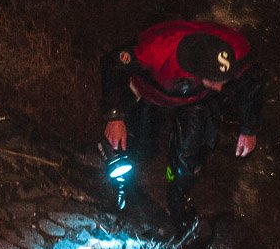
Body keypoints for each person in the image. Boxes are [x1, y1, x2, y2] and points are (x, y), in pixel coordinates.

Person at [100, 19, 264, 234]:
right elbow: (114, 65)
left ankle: (176, 193)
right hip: (151, 92)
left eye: (224, 78)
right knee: (140, 145)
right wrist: (115, 116)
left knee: (190, 154)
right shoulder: (156, 49)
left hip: (195, 99)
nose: (222, 86)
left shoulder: (234, 50)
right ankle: (126, 186)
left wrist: (249, 129)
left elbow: (252, 81)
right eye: (216, 80)